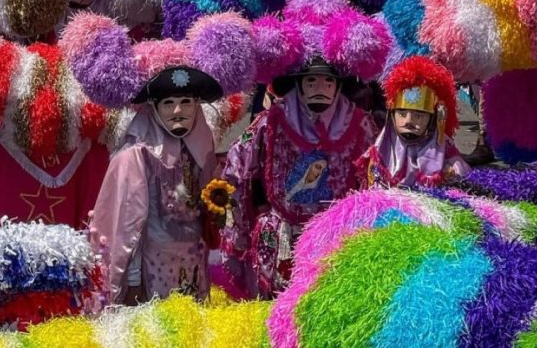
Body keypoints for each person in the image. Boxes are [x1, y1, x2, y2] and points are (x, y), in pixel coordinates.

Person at [221, 56, 377, 299]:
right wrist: (240, 233)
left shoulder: (360, 124)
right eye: (311, 80)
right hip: (281, 238)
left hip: (336, 238)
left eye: (327, 81)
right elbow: (237, 171)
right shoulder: (270, 120)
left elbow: (373, 182)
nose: (319, 88)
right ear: (299, 84)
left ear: (338, 86)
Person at [89, 65, 224, 305]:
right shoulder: (136, 156)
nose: (178, 111)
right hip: (153, 270)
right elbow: (127, 225)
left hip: (193, 265)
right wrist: (132, 280)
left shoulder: (203, 153)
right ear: (154, 109)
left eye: (186, 102)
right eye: (168, 103)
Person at [360, 56, 470, 188]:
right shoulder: (381, 151)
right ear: (391, 115)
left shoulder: (445, 151)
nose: (408, 121)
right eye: (402, 114)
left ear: (433, 118)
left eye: (418, 116)